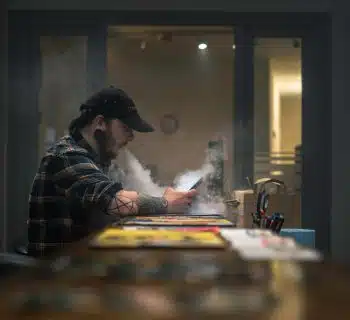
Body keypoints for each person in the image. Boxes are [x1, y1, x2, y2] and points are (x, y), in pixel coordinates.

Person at [28, 87, 197, 257]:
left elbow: (127, 192)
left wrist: (166, 196)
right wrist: (165, 203)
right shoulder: (67, 156)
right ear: (100, 122)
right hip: (55, 275)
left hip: (79, 266)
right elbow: (115, 200)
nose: (131, 137)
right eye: (126, 127)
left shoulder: (98, 161)